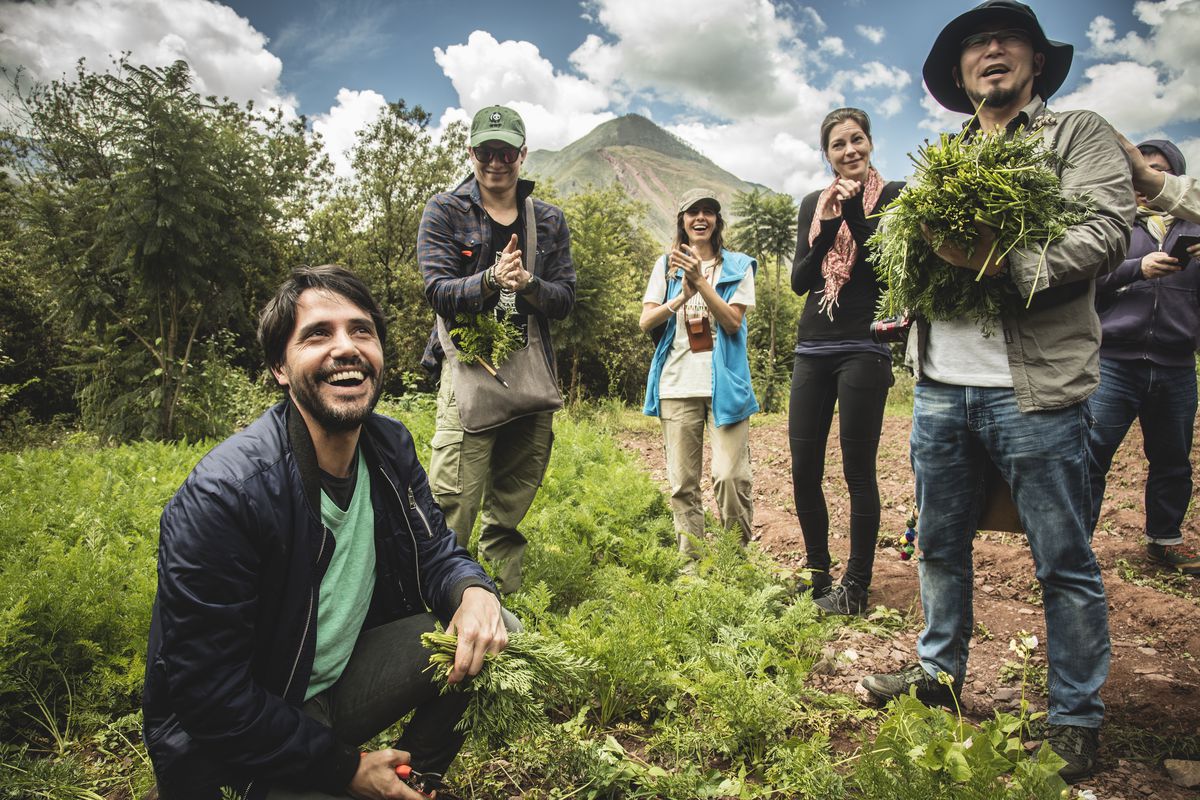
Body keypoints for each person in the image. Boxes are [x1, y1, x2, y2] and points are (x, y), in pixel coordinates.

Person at [858, 0, 1133, 783]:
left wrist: (998, 260)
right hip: (942, 386)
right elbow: (912, 257)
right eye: (974, 44)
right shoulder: (944, 157)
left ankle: (1076, 714)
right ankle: (938, 675)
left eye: (1008, 38)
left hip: (1035, 387)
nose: (992, 51)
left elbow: (1105, 232)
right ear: (958, 74)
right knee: (940, 544)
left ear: (1036, 60)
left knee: (1062, 557)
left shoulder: (1075, 136)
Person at [143, 265, 513, 800]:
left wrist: (473, 590)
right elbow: (209, 694)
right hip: (249, 718)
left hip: (336, 679)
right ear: (278, 366)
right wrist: (346, 770)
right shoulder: (227, 494)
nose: (347, 348)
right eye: (318, 334)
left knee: (496, 627)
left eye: (362, 331)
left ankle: (415, 781)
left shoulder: (388, 446)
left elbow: (435, 549)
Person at [417, 105, 576, 594]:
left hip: (529, 371)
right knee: (453, 503)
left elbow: (565, 299)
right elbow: (437, 291)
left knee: (511, 501)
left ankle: (504, 604)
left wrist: (527, 283)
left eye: (506, 151)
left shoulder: (547, 220)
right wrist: (489, 280)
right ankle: (441, 606)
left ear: (521, 154)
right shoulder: (444, 210)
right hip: (468, 369)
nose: (496, 161)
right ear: (472, 152)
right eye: (487, 151)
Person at [789, 108, 905, 615]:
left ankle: (856, 587)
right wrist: (827, 223)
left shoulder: (896, 197)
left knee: (859, 470)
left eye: (857, 140)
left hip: (864, 346)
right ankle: (818, 578)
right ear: (827, 154)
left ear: (871, 143)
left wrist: (853, 216)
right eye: (838, 145)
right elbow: (800, 281)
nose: (849, 150)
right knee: (803, 469)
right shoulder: (814, 203)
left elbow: (883, 266)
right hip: (812, 348)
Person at [1088, 139, 1200, 575]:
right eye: (1139, 171)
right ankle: (1075, 545)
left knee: (1172, 457)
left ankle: (1164, 540)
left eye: (1156, 170)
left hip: (1175, 364)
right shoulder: (1113, 225)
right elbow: (1083, 283)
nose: (1143, 180)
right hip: (1113, 360)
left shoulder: (1194, 230)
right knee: (1092, 453)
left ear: (1172, 179)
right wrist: (1138, 268)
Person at [640, 188, 758, 560]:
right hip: (676, 384)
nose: (700, 218)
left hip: (725, 384)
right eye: (693, 212)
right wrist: (679, 295)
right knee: (683, 485)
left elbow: (733, 323)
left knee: (730, 477)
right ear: (683, 221)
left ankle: (734, 563)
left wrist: (701, 282)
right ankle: (692, 566)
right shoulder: (665, 266)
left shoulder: (738, 266)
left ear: (717, 221)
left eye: (709, 211)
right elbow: (646, 321)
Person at [1120, 133, 1200, 224]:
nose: (1144, 184)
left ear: (1177, 176)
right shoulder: (1118, 226)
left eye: (1156, 171)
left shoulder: (1195, 224)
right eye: (1136, 176)